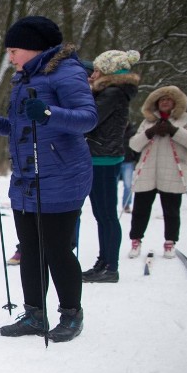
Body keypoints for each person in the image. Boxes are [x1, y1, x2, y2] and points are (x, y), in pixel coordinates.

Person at [0, 16, 97, 342]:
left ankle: (71, 314)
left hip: (62, 178)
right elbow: (24, 127)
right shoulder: (23, 78)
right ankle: (34, 314)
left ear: (33, 48)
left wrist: (48, 113)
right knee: (30, 249)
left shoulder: (66, 72)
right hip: (27, 179)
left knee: (57, 249)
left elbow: (88, 118)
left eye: (14, 50)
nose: (10, 57)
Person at [82, 49, 140, 284]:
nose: (92, 74)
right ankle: (103, 262)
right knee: (102, 214)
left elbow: (89, 119)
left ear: (109, 72)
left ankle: (110, 266)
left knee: (106, 214)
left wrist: (85, 93)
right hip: (101, 155)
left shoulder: (112, 92)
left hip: (103, 157)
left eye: (96, 70)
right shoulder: (110, 92)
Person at [127, 86, 187, 259]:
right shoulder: (149, 121)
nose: (164, 102)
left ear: (176, 102)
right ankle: (136, 240)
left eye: (168, 99)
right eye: (161, 99)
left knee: (171, 210)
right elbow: (134, 145)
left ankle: (170, 242)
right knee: (140, 210)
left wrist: (174, 131)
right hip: (147, 171)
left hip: (173, 172)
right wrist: (150, 132)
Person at [120, 122, 139, 213]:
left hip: (128, 161)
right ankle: (111, 206)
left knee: (128, 185)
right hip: (116, 160)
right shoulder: (116, 129)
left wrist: (136, 158)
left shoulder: (133, 132)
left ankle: (126, 204)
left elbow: (137, 147)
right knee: (112, 185)